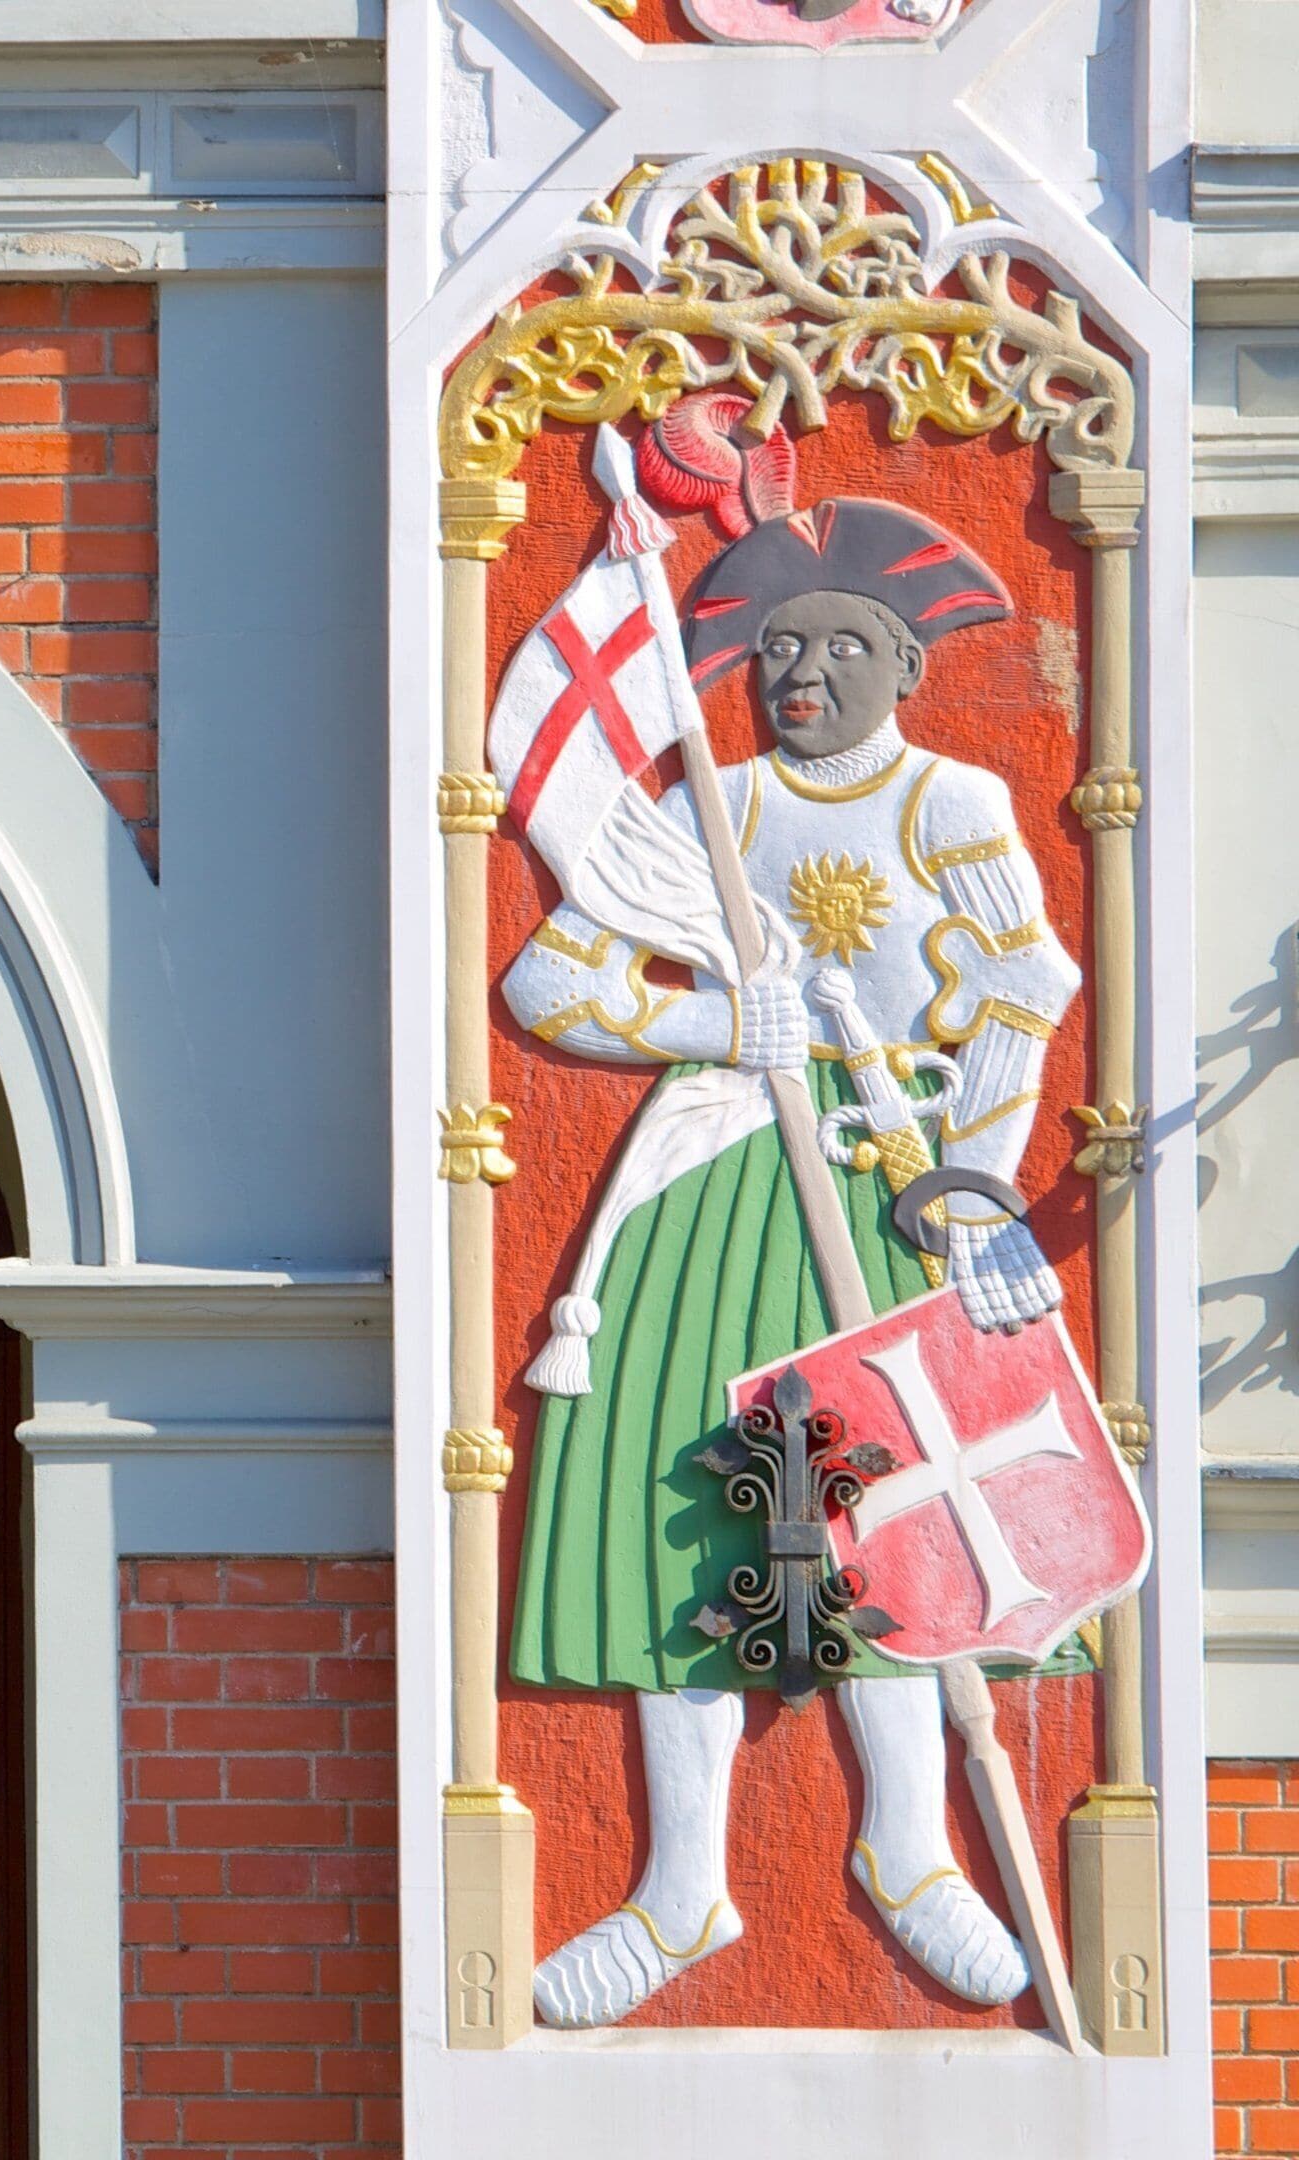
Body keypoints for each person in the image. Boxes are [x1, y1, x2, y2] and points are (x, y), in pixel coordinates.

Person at [497, 498, 1082, 2027]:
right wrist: (713, 1021)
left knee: (884, 1502)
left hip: (895, 1180)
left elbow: (1025, 981)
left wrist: (974, 1189)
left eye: (835, 647)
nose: (798, 675)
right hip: (725, 1178)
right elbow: (546, 975)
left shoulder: (947, 801)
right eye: (775, 653)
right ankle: (681, 1886)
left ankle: (908, 1848)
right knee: (683, 1506)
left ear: (903, 663)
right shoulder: (715, 808)